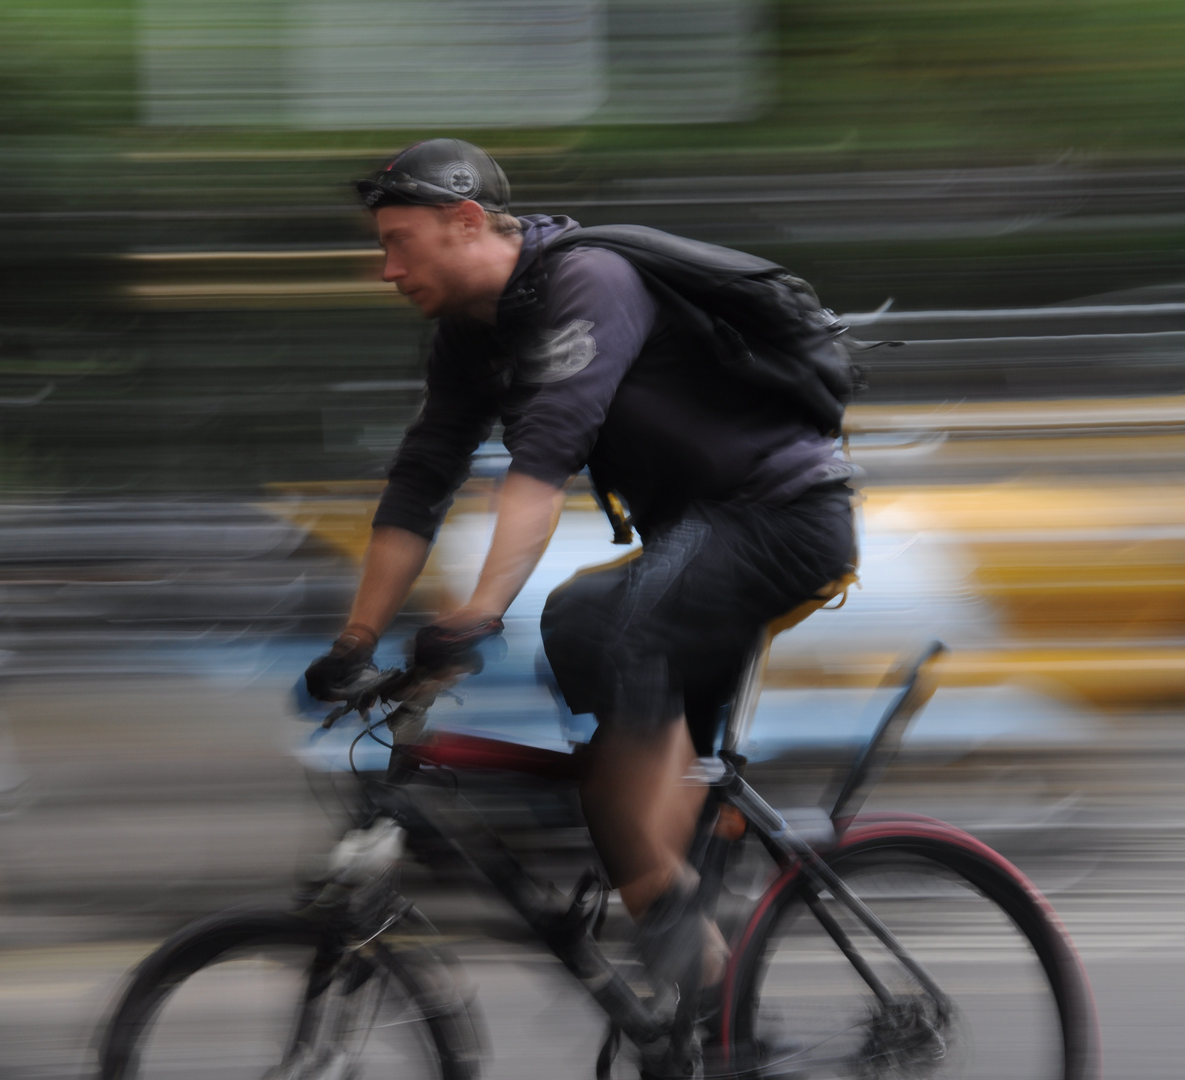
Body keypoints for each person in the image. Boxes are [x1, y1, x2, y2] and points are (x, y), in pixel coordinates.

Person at [306, 137, 856, 1067]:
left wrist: (478, 612)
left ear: (467, 223)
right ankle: (723, 1032)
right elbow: (420, 482)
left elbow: (543, 461)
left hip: (781, 518)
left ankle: (677, 918)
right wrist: (356, 640)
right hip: (694, 541)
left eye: (400, 243)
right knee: (603, 744)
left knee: (604, 617)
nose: (385, 268)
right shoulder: (470, 337)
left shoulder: (589, 282)